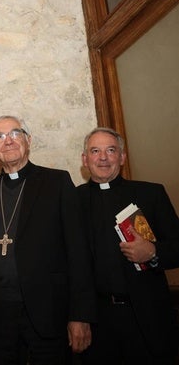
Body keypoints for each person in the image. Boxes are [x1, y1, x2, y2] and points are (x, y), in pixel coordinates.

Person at [0, 115, 96, 364]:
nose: (8, 141)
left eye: (15, 133)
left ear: (28, 141)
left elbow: (78, 253)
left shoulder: (56, 182)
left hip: (47, 312)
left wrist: (80, 315)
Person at [78, 127, 179, 364]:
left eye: (111, 150)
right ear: (85, 160)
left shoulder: (151, 193)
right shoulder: (72, 201)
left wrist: (154, 252)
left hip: (147, 318)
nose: (103, 157)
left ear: (122, 158)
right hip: (96, 321)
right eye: (95, 151)